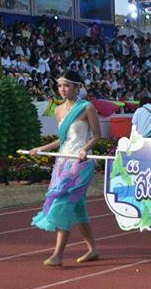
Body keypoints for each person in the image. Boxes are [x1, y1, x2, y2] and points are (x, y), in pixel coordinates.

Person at [29, 70, 101, 267]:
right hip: (63, 162)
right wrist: (41, 149)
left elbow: (96, 135)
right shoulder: (59, 110)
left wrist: (85, 149)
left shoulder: (87, 107)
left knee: (63, 203)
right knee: (78, 207)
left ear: (77, 87)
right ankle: (93, 249)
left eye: (67, 85)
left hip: (81, 164)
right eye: (60, 85)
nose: (62, 89)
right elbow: (62, 140)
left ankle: (57, 254)